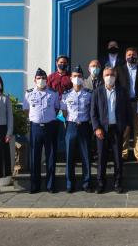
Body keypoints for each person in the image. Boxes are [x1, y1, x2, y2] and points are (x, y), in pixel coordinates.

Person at [91, 66, 132, 193]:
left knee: (118, 158)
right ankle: (100, 183)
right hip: (102, 130)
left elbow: (128, 111)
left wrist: (128, 126)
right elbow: (93, 112)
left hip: (117, 129)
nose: (109, 77)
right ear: (103, 77)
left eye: (112, 75)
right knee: (102, 158)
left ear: (116, 76)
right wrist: (96, 127)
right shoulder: (97, 92)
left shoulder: (122, 91)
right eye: (107, 75)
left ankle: (118, 183)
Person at [23, 68, 61, 194]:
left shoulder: (53, 93)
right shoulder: (29, 93)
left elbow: (56, 108)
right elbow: (26, 110)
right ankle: (35, 185)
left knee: (51, 156)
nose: (41, 81)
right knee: (35, 157)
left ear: (47, 80)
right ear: (35, 80)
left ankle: (50, 185)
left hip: (50, 127)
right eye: (39, 78)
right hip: (35, 127)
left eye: (44, 78)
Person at [60, 65, 93, 193]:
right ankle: (70, 183)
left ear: (83, 78)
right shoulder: (66, 95)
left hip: (84, 126)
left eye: (79, 76)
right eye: (75, 76)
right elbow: (62, 113)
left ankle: (86, 183)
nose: (77, 78)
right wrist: (66, 125)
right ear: (71, 78)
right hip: (71, 126)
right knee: (69, 156)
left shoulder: (89, 94)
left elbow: (92, 111)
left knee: (86, 156)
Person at [116, 47, 138, 163]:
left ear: (137, 56)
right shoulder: (119, 69)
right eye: (129, 55)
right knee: (125, 129)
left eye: (133, 55)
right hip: (124, 103)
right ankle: (124, 153)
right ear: (125, 57)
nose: (131, 57)